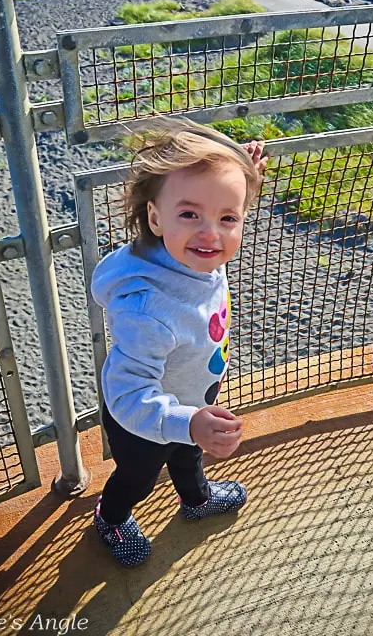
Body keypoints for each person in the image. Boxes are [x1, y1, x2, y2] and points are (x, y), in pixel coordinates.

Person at [91, 118, 268, 566]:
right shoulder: (147, 310)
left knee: (189, 456)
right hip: (143, 416)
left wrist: (245, 174)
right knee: (138, 476)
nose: (211, 233)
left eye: (229, 217)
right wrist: (187, 422)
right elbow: (129, 394)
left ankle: (196, 499)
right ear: (155, 216)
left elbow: (217, 208)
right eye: (190, 214)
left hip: (192, 396)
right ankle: (111, 517)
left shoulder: (193, 252)